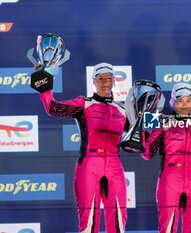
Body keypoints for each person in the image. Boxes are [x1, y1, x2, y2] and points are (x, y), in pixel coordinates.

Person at [33, 62, 128, 233]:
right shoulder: (84, 104)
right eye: (101, 79)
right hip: (89, 167)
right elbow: (53, 108)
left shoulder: (123, 110)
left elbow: (141, 139)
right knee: (89, 224)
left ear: (114, 81)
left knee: (118, 224)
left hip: (115, 168)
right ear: (93, 81)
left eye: (109, 78)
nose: (105, 82)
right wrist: (44, 80)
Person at [141, 82, 191, 233]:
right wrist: (147, 131)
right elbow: (147, 153)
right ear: (173, 102)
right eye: (180, 100)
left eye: (188, 100)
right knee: (167, 228)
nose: (184, 104)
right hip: (169, 179)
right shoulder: (162, 120)